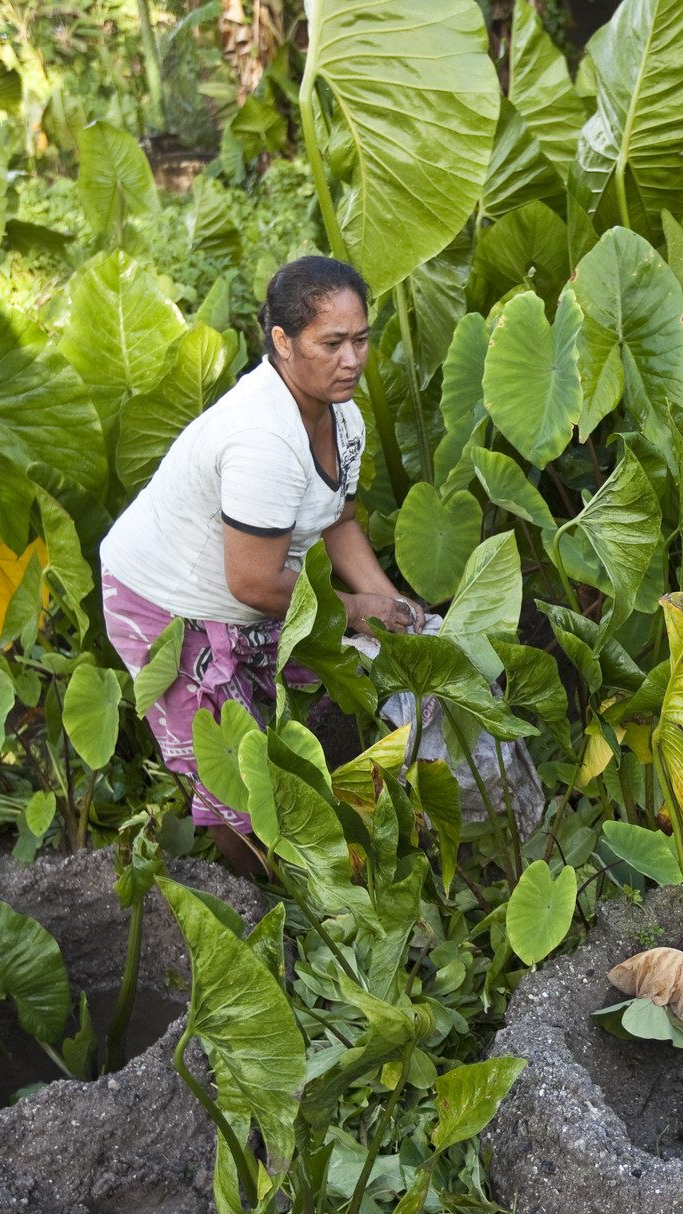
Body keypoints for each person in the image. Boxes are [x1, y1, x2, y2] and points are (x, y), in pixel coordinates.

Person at [99, 255, 421, 869]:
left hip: (261, 592)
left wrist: (396, 609)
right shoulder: (264, 440)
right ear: (282, 341)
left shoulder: (341, 414)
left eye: (361, 340)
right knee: (238, 777)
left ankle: (314, 864)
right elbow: (251, 580)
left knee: (313, 717)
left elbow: (341, 522)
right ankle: (256, 896)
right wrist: (356, 611)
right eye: (332, 343)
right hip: (165, 604)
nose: (352, 360)